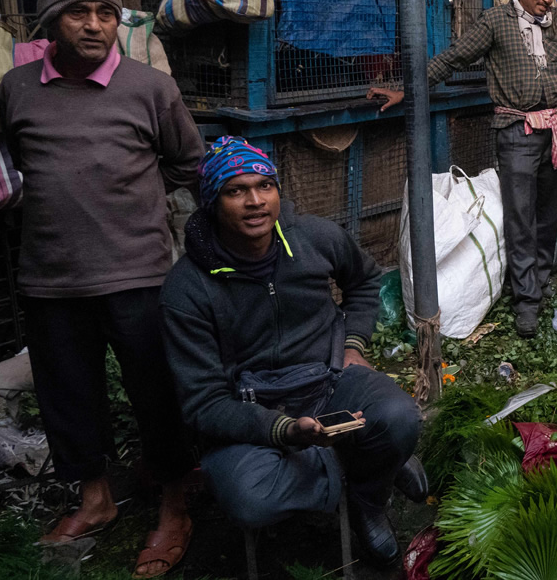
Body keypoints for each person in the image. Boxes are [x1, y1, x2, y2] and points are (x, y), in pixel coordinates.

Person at [0, 0, 204, 575]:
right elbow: (22, 159)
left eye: (106, 13)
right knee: (68, 397)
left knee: (157, 395)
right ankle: (96, 500)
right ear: (49, 22)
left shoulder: (151, 88)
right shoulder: (17, 89)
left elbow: (189, 164)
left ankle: (174, 505)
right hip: (50, 278)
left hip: (139, 274)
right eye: (78, 12)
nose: (94, 24)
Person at [160, 138, 425, 563]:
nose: (254, 201)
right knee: (252, 499)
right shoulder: (186, 289)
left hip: (329, 381)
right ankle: (367, 469)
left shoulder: (314, 238)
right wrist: (283, 429)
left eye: (265, 186)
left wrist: (354, 344)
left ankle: (367, 502)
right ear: (212, 201)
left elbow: (364, 280)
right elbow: (203, 402)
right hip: (248, 409)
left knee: (400, 418)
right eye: (235, 191)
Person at [368, 0, 557, 337]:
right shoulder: (495, 22)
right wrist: (406, 91)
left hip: (554, 131)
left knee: (548, 214)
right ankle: (526, 300)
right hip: (517, 133)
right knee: (520, 218)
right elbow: (453, 58)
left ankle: (539, 284)